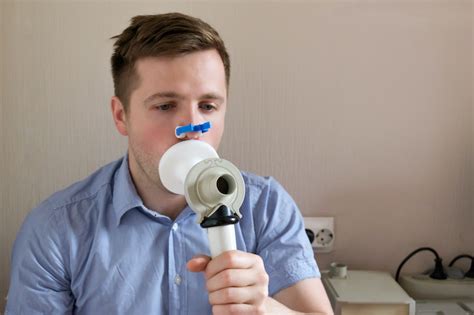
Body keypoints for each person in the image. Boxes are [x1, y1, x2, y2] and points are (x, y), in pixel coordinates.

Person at [6, 12, 333, 315]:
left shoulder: (266, 208)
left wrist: (264, 308)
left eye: (207, 106)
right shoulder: (56, 231)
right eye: (165, 106)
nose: (192, 129)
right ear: (122, 116)